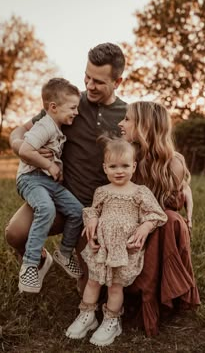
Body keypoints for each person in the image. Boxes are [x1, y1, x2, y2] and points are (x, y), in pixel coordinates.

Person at [6, 42, 127, 289]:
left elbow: (155, 150)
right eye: (87, 77)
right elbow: (20, 131)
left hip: (98, 211)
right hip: (62, 196)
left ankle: (73, 255)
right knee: (15, 233)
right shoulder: (69, 104)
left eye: (98, 82)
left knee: (89, 290)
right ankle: (39, 261)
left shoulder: (127, 114)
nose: (89, 86)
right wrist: (21, 147)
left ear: (118, 81)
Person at [65, 137, 167, 346]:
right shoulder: (102, 192)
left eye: (124, 166)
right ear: (105, 168)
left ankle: (112, 320)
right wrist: (92, 219)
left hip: (124, 251)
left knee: (115, 287)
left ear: (134, 166)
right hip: (101, 248)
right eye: (113, 166)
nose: (119, 171)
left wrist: (145, 226)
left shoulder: (140, 192)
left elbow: (157, 214)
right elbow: (93, 210)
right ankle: (88, 315)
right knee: (93, 281)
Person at [118, 101, 200, 336]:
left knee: (171, 220)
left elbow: (181, 194)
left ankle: (161, 294)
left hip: (161, 226)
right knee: (165, 220)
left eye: (127, 119)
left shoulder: (173, 161)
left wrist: (190, 218)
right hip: (131, 222)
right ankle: (135, 293)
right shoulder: (128, 157)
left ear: (145, 126)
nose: (120, 123)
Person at [15, 78, 84, 293]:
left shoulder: (57, 126)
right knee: (46, 208)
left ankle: (63, 253)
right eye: (72, 108)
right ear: (53, 107)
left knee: (76, 211)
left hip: (47, 182)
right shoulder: (44, 125)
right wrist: (49, 165)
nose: (76, 112)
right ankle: (30, 264)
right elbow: (25, 151)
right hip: (30, 178)